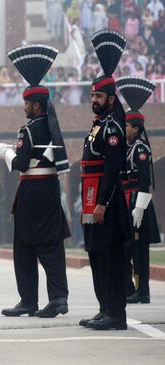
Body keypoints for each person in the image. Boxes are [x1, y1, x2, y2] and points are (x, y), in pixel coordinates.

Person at [0, 44, 71, 318]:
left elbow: (21, 164)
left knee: (25, 247)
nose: (23, 106)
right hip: (49, 189)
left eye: (26, 102)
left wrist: (6, 153)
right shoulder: (49, 127)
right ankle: (59, 297)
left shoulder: (29, 129)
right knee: (52, 246)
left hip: (33, 191)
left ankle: (28, 300)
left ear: (36, 105)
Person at [78, 29, 131, 331]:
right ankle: (104, 308)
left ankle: (116, 313)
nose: (94, 100)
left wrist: (101, 203)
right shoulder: (100, 123)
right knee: (96, 255)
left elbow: (111, 169)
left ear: (111, 98)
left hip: (105, 202)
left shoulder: (112, 128)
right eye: (93, 95)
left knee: (109, 258)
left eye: (99, 96)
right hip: (92, 200)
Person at [116, 77, 161, 304]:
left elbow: (145, 181)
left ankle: (142, 290)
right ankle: (131, 288)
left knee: (139, 250)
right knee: (128, 247)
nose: (124, 129)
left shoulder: (140, 149)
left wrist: (139, 208)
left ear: (135, 127)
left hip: (138, 201)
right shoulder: (128, 147)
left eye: (126, 125)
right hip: (127, 198)